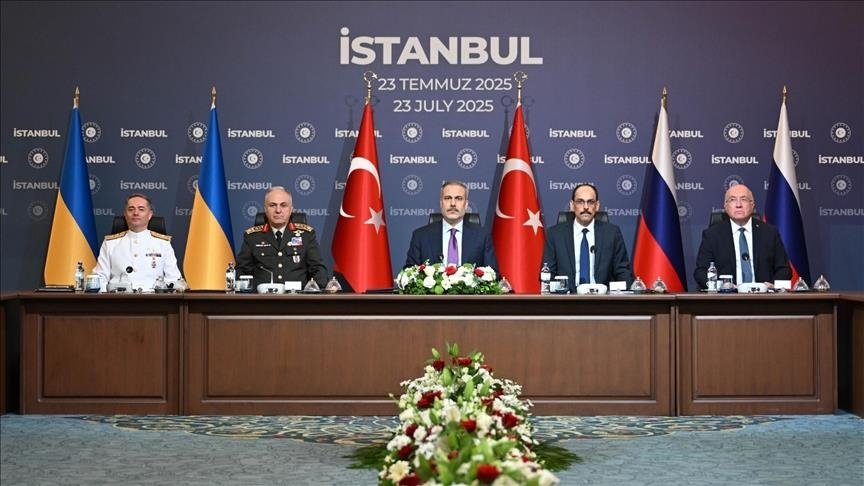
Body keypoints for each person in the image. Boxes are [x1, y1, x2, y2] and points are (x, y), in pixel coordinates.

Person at [694, 183, 790, 289]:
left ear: (752, 205)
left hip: (763, 295)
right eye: (732, 200)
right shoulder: (712, 235)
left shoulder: (769, 233)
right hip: (726, 296)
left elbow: (784, 270)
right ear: (725, 206)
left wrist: (772, 285)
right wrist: (721, 286)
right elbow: (701, 271)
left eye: (744, 199)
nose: (738, 205)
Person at [543, 183, 633, 291]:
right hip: (567, 298)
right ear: (572, 205)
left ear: (597, 205)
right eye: (580, 202)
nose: (585, 207)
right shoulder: (555, 234)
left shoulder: (612, 233)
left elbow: (623, 272)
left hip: (603, 298)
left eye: (590, 202)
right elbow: (547, 275)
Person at [236, 186, 328, 289]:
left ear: (291, 209)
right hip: (262, 297)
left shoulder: (306, 235)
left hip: (298, 297)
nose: (278, 210)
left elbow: (318, 270)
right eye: (272, 205)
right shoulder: (252, 237)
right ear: (265, 209)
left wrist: (314, 292)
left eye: (283, 205)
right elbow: (241, 271)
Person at [93, 193, 181, 292]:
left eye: (141, 209)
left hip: (154, 299)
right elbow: (100, 277)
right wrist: (105, 298)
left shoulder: (163, 243)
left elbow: (173, 279)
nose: (135, 213)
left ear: (150, 214)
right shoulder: (110, 243)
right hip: (118, 298)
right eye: (131, 209)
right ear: (125, 214)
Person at [405, 180, 498, 270]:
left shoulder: (482, 236)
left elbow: (493, 273)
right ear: (441, 203)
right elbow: (409, 272)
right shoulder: (420, 236)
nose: (453, 204)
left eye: (458, 198)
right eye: (447, 198)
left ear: (466, 204)